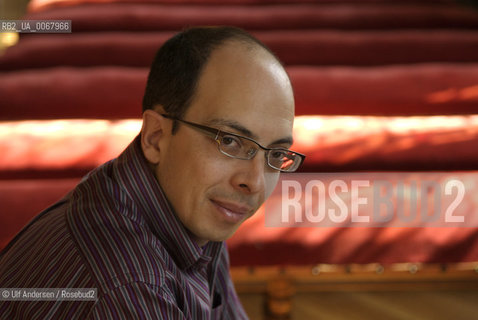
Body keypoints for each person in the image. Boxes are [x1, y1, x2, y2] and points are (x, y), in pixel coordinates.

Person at [0, 26, 304, 319]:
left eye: (275, 154)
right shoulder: (131, 285)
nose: (253, 182)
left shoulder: (195, 210)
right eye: (229, 141)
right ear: (155, 137)